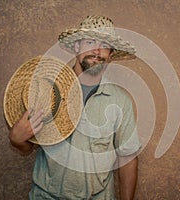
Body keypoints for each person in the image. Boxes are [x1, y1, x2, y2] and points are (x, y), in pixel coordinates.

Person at [9, 15, 141, 200]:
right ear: (77, 47)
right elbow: (28, 147)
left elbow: (127, 159)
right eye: (89, 42)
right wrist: (17, 140)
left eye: (104, 45)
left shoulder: (120, 100)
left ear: (110, 54)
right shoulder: (46, 90)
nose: (96, 50)